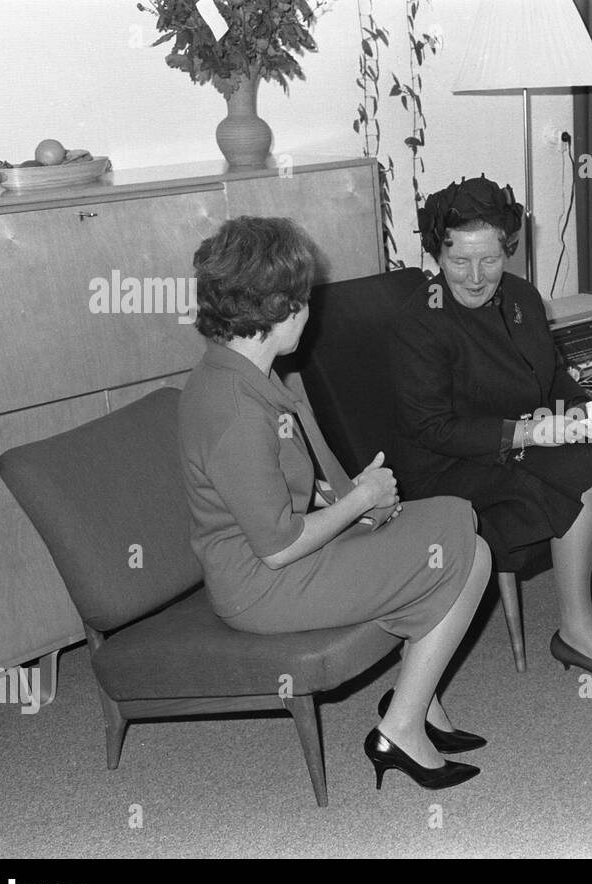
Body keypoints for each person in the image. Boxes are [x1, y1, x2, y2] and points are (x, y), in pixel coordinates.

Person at [178, 216, 491, 791]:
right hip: (261, 586)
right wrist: (361, 503)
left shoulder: (257, 375)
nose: (308, 310)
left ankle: (417, 704)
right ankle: (401, 728)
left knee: (464, 534)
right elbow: (275, 547)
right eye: (301, 299)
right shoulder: (231, 405)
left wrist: (355, 498)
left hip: (283, 557)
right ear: (276, 307)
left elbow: (301, 476)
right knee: (455, 534)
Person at [392, 176, 592, 683]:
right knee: (581, 466)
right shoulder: (422, 318)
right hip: (450, 465)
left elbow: (550, 376)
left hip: (524, 439)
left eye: (489, 259)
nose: (475, 276)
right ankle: (575, 628)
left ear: (508, 250)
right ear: (436, 255)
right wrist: (526, 433)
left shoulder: (522, 297)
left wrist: (577, 409)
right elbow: (431, 429)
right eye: (459, 260)